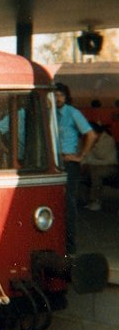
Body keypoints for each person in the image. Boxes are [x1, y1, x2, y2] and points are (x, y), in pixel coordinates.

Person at [55, 82, 97, 253]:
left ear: (66, 97)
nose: (57, 98)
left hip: (68, 162)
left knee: (68, 204)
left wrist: (80, 156)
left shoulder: (73, 113)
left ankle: (70, 248)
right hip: (53, 164)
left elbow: (91, 135)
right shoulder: (50, 113)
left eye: (60, 95)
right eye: (55, 94)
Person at [82, 123, 118, 211]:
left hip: (110, 166)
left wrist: (91, 160)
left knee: (96, 173)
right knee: (86, 171)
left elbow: (106, 159)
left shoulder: (108, 141)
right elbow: (86, 157)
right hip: (96, 165)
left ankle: (96, 201)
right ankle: (87, 200)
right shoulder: (90, 140)